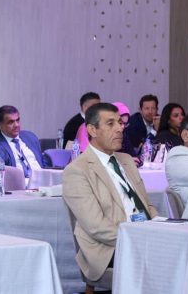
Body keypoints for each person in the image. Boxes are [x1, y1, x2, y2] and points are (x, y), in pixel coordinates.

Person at [63, 103, 158, 283]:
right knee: (165, 260)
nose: (120, 129)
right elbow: (97, 227)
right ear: (92, 130)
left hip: (144, 236)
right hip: (109, 248)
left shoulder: (127, 160)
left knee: (184, 249)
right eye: (110, 124)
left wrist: (161, 229)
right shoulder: (77, 170)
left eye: (120, 123)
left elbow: (147, 206)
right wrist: (140, 238)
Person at [0, 105, 46, 184]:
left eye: (17, 120)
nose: (16, 125)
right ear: (0, 125)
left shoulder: (30, 137)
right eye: (11, 122)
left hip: (42, 183)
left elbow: (43, 164)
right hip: (17, 185)